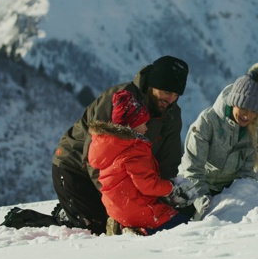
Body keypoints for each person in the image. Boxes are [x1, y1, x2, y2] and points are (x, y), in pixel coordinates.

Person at [52, 55, 189, 234]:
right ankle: (50, 218)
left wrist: (166, 195)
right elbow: (97, 158)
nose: (170, 99)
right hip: (76, 168)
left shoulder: (171, 114)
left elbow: (167, 161)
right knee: (96, 229)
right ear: (152, 85)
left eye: (175, 95)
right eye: (165, 92)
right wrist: (116, 206)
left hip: (120, 178)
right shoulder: (120, 101)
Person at [87, 90, 197, 236]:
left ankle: (128, 226)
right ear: (131, 126)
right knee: (183, 224)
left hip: (115, 208)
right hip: (137, 209)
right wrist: (170, 188)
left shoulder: (110, 146)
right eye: (144, 123)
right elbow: (148, 185)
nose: (146, 128)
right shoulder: (134, 150)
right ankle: (142, 231)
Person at [178, 62, 258, 220]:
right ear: (234, 101)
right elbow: (192, 168)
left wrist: (232, 198)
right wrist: (203, 202)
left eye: (254, 111)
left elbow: (248, 175)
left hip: (227, 191)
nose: (247, 115)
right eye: (244, 107)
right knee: (181, 221)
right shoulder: (208, 121)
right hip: (192, 186)